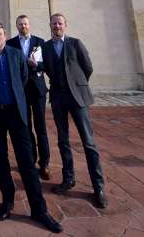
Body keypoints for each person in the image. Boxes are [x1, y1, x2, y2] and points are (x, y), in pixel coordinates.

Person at [0, 21, 63, 233]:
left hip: (16, 114)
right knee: (1, 160)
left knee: (26, 162)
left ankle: (39, 209)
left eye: (0, 34)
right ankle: (7, 201)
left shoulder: (15, 55)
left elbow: (23, 78)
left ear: (5, 35)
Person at [41, 13, 108, 208]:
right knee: (63, 141)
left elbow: (88, 68)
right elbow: (46, 69)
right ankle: (68, 179)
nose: (57, 26)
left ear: (65, 25)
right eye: (54, 23)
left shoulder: (76, 43)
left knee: (88, 142)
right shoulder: (45, 47)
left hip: (77, 98)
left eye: (60, 23)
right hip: (58, 98)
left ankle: (98, 187)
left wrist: (78, 85)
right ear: (50, 26)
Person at [6, 15, 50, 180]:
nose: (23, 26)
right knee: (26, 126)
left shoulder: (40, 42)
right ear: (16, 26)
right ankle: (30, 160)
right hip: (21, 91)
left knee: (41, 127)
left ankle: (44, 163)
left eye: (25, 23)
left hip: (37, 90)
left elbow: (46, 64)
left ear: (29, 25)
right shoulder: (11, 44)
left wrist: (35, 65)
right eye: (20, 24)